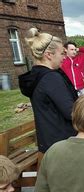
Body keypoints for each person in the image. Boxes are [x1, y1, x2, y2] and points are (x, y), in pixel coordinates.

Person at [18, 28, 78, 156]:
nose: (64, 57)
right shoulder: (51, 78)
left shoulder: (37, 76)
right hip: (62, 145)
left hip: (48, 142)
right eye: (62, 53)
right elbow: (71, 112)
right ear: (49, 55)